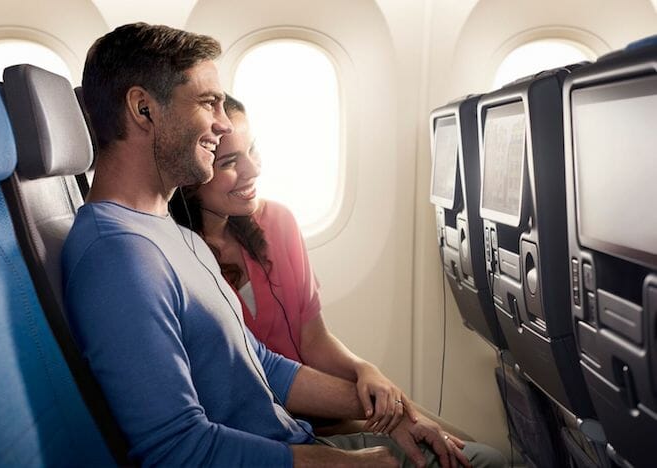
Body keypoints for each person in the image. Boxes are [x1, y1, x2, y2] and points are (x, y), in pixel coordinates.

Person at [63, 22, 506, 467]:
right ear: (143, 109)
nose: (221, 122)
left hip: (294, 441)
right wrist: (356, 465)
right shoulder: (117, 258)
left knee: (478, 456)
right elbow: (179, 452)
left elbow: (260, 365)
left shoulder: (169, 232)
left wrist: (390, 413)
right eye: (207, 103)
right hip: (275, 456)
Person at [175, 94, 475, 440]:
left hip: (319, 407)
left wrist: (363, 369)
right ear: (192, 179)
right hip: (262, 427)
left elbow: (312, 338)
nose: (253, 170)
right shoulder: (183, 256)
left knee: (466, 444)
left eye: (252, 150)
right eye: (229, 162)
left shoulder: (278, 223)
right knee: (471, 456)